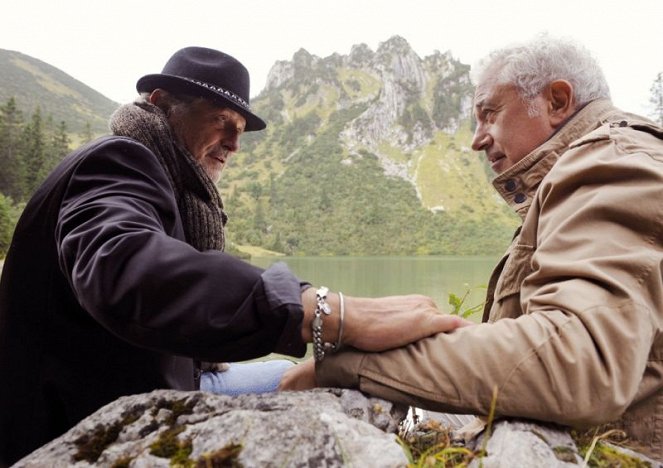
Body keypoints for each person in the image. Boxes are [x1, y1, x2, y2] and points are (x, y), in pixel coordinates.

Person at [0, 46, 469, 465]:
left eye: (240, 130)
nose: (234, 144)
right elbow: (124, 267)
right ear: (162, 104)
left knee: (304, 374)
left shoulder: (164, 180)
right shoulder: (117, 162)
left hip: (166, 379)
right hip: (72, 419)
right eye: (222, 121)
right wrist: (323, 311)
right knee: (332, 382)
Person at [280, 34, 663, 460]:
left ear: (557, 101)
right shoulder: (594, 169)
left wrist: (348, 366)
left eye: (490, 114)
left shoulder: (612, 163)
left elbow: (579, 361)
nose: (477, 140)